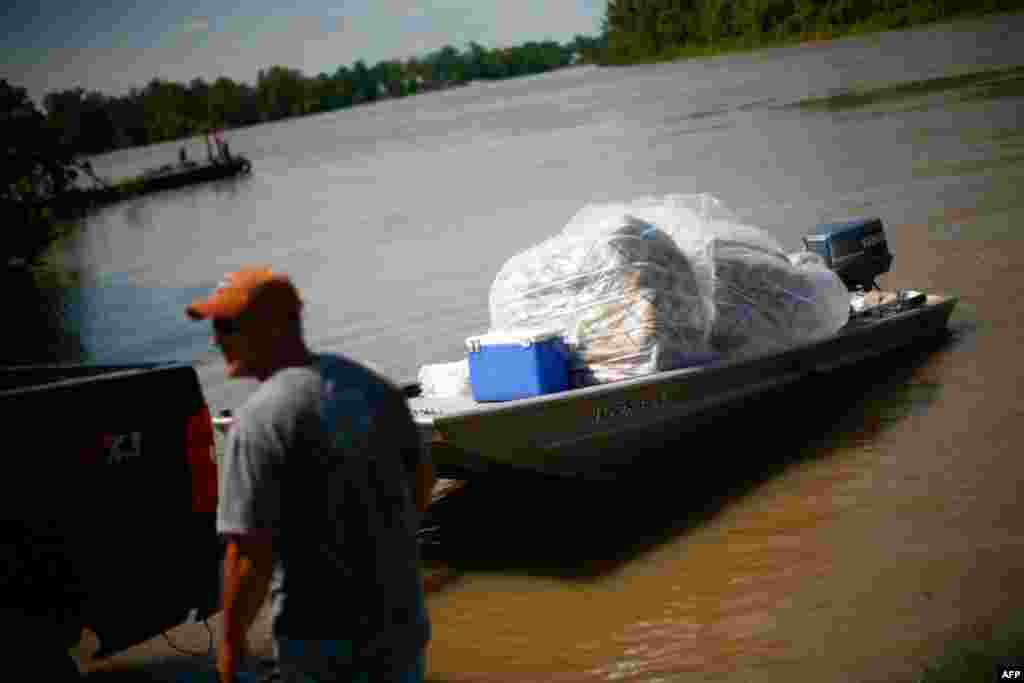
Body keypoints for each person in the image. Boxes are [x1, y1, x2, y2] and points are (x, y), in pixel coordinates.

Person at [185, 266, 434, 683]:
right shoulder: (374, 387)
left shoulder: (259, 422)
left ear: (272, 329)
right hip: (402, 632)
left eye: (227, 326)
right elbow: (422, 483)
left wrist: (230, 644)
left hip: (321, 650)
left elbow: (249, 555)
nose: (216, 339)